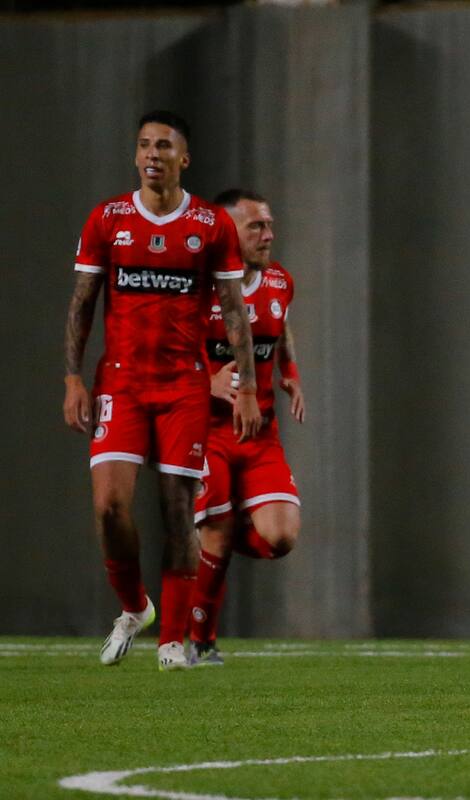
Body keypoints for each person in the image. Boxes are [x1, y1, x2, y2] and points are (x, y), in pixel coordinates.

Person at [63, 110, 261, 671]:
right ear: (135, 156)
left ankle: (172, 642)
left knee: (178, 508)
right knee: (109, 507)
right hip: (121, 381)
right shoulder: (108, 219)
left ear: (184, 158)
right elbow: (83, 303)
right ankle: (135, 608)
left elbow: (233, 311)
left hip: (183, 387)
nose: (153, 154)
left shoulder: (210, 225)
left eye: (165, 146)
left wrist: (245, 386)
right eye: (145, 145)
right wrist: (73, 376)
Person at [188, 188, 305, 666]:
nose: (268, 234)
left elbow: (281, 329)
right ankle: (201, 640)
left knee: (280, 537)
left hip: (260, 433)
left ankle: (219, 527)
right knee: (215, 531)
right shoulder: (198, 284)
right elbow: (170, 345)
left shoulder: (279, 280)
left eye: (269, 224)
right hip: (207, 429)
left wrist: (291, 377)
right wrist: (206, 378)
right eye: (256, 225)